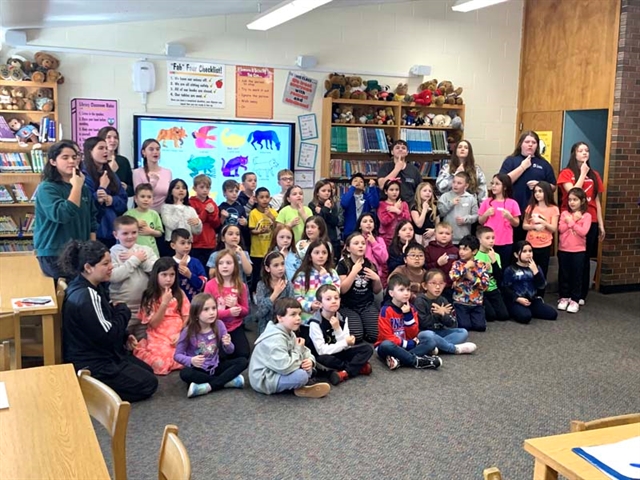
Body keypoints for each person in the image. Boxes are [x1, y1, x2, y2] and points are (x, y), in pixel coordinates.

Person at [60, 240, 158, 402]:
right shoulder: (86, 295)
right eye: (105, 263)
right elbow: (109, 334)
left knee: (147, 370)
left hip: (101, 351)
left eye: (110, 261)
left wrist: (125, 336)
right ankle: (90, 392)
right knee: (149, 384)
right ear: (88, 267)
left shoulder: (91, 285)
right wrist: (124, 311)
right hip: (92, 362)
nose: (111, 266)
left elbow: (105, 320)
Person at [34, 140, 97, 280]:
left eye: (75, 157)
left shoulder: (83, 188)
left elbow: (92, 220)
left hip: (79, 252)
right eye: (65, 157)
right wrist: (76, 188)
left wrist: (92, 249)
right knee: (68, 295)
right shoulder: (47, 188)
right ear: (53, 161)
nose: (72, 161)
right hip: (55, 252)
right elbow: (63, 214)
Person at [249, 298, 331, 398]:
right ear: (280, 318)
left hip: (279, 369)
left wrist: (310, 361)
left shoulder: (289, 332)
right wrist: (297, 350)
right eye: (293, 314)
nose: (298, 318)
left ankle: (300, 386)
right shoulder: (275, 339)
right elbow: (285, 367)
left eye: (299, 314)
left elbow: (305, 351)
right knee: (301, 376)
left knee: (307, 368)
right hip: (264, 380)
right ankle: (301, 385)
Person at [557, 142, 605, 305]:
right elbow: (573, 193)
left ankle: (581, 294)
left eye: (587, 150)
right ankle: (565, 293)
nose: (584, 153)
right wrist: (582, 174)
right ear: (574, 154)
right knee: (568, 257)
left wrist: (600, 223)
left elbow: (597, 200)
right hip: (570, 218)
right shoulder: (566, 173)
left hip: (589, 219)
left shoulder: (595, 174)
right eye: (580, 150)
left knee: (584, 257)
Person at [174, 293, 248, 398]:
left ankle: (208, 386)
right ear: (196, 313)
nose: (212, 313)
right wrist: (191, 360)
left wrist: (228, 344)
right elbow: (177, 355)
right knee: (185, 373)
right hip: (198, 369)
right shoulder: (188, 331)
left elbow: (230, 351)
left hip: (216, 366)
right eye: (206, 309)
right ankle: (226, 382)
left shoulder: (219, 325)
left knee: (243, 361)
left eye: (214, 308)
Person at [309, 285, 374, 385]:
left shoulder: (342, 318)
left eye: (336, 298)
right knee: (322, 359)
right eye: (328, 299)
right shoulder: (315, 322)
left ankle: (345, 372)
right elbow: (321, 350)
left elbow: (346, 346)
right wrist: (345, 342)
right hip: (327, 355)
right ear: (320, 304)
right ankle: (357, 367)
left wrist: (338, 329)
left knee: (367, 349)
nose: (334, 301)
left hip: (341, 352)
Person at [134, 257, 189, 375]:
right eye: (164, 275)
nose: (168, 279)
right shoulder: (149, 295)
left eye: (172, 275)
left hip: (179, 331)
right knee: (160, 361)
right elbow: (153, 324)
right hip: (158, 334)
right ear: (156, 275)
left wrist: (181, 333)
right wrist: (164, 303)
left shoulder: (179, 293)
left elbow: (186, 316)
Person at [374, 274, 441, 370]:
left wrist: (408, 316)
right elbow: (386, 336)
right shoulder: (385, 310)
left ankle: (400, 360)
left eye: (408, 290)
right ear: (391, 293)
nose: (406, 293)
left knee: (430, 342)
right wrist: (407, 344)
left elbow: (413, 334)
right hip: (393, 346)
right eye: (401, 290)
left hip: (407, 345)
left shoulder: (412, 309)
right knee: (386, 345)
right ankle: (417, 361)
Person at [499, 131, 556, 242]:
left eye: (534, 142)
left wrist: (540, 185)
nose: (530, 144)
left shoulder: (544, 164)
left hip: (536, 211)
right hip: (514, 209)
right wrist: (522, 167)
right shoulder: (511, 160)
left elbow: (553, 186)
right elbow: (503, 182)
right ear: (521, 144)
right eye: (527, 142)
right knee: (514, 242)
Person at [108, 215, 158, 337]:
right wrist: (135, 259)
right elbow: (114, 276)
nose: (130, 236)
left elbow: (156, 272)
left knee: (144, 343)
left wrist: (140, 259)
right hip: (123, 307)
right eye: (125, 233)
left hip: (145, 307)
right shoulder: (112, 253)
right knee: (122, 341)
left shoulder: (146, 250)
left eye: (134, 232)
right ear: (116, 235)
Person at [414, 269, 477, 354]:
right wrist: (437, 314)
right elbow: (423, 324)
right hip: (425, 333)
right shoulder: (420, 301)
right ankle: (453, 349)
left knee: (463, 332)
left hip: (440, 332)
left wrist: (444, 315)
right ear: (425, 285)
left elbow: (453, 324)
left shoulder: (443, 300)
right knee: (428, 335)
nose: (437, 287)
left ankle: (435, 348)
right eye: (433, 283)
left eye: (441, 284)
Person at [82, 136, 128, 249]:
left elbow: (123, 201)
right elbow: (88, 205)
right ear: (90, 151)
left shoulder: (110, 174)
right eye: (101, 148)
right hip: (93, 232)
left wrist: (111, 200)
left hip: (112, 231)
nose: (105, 151)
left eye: (106, 148)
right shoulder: (83, 175)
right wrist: (102, 187)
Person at [204, 249, 251, 359]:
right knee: (220, 356)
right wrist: (228, 312)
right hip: (215, 327)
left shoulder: (241, 286)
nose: (224, 266)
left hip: (235, 327)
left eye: (228, 263)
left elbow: (245, 311)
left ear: (235, 266)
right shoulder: (210, 285)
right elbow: (206, 312)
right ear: (217, 266)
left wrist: (236, 306)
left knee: (243, 354)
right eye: (221, 263)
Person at [336, 233, 382, 343]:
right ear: (348, 248)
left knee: (375, 335)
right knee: (356, 336)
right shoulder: (343, 264)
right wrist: (354, 272)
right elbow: (342, 290)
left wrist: (377, 279)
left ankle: (364, 324)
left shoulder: (370, 264)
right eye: (356, 243)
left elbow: (377, 290)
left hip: (366, 304)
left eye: (363, 243)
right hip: (348, 306)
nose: (361, 246)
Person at [502, 240, 558, 324]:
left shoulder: (536, 267)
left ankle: (530, 310)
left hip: (532, 300)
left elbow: (541, 285)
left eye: (530, 251)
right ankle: (515, 309)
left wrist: (536, 272)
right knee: (525, 317)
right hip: (517, 300)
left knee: (553, 314)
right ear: (516, 255)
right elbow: (505, 288)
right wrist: (517, 298)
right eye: (524, 251)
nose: (528, 254)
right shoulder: (510, 269)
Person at [557, 188, 591, 313]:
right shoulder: (565, 214)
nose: (572, 202)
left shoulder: (587, 216)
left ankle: (575, 299)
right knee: (564, 274)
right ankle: (564, 297)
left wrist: (572, 222)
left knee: (576, 275)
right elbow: (561, 229)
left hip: (578, 251)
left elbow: (583, 232)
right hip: (564, 249)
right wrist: (574, 220)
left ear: (582, 201)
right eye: (570, 199)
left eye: (575, 200)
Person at [292, 239, 341, 325]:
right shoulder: (302, 275)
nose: (321, 256)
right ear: (310, 256)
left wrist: (326, 277)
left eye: (324, 253)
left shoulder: (332, 273)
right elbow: (296, 296)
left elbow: (336, 292)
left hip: (328, 319)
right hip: (307, 320)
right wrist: (309, 305)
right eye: (316, 253)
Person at [523, 181, 559, 296]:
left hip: (544, 245)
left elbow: (553, 228)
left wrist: (543, 222)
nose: (537, 194)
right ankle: (528, 294)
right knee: (528, 270)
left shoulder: (553, 209)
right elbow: (524, 225)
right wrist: (533, 226)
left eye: (540, 191)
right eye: (535, 191)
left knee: (541, 271)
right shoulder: (531, 207)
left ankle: (540, 296)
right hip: (530, 245)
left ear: (547, 192)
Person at [449, 235, 490, 332]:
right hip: (460, 302)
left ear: (474, 251)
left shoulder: (481, 265)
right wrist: (465, 267)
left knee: (480, 327)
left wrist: (472, 278)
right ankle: (455, 316)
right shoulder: (457, 264)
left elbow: (485, 285)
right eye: (460, 249)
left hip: (476, 303)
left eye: (465, 249)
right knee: (464, 326)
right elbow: (453, 276)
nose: (461, 252)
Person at [478, 173, 520, 263]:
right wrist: (486, 214)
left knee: (503, 266)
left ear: (505, 187)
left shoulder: (512, 203)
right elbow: (480, 221)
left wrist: (510, 217)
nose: (493, 186)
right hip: (488, 241)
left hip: (506, 241)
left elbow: (516, 223)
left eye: (497, 184)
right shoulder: (487, 202)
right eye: (492, 183)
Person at [254, 251, 295, 334]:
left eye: (282, 264)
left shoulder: (288, 285)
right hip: (265, 328)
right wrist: (275, 294)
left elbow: (291, 307)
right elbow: (260, 313)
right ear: (267, 268)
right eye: (276, 265)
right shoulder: (262, 285)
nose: (280, 268)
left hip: (284, 326)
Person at [475, 226, 509, 321]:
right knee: (491, 316)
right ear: (480, 240)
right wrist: (484, 269)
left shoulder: (496, 255)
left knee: (504, 316)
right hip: (481, 291)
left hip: (493, 289)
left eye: (493, 238)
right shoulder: (475, 255)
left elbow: (499, 277)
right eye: (487, 238)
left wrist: (494, 262)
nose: (491, 241)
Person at [160, 178, 202, 256]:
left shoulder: (190, 209)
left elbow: (197, 231)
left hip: (187, 244)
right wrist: (178, 208)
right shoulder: (166, 207)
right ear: (171, 191)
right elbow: (171, 225)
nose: (181, 190)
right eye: (177, 188)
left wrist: (198, 224)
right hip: (171, 244)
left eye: (184, 188)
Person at [248, 187, 278, 294]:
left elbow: (278, 227)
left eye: (267, 197)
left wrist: (271, 217)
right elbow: (251, 230)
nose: (264, 200)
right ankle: (255, 293)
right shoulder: (253, 213)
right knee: (256, 275)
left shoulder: (273, 212)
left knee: (269, 274)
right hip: (257, 251)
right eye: (261, 197)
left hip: (270, 250)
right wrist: (260, 231)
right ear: (256, 199)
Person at [189, 174, 221, 270]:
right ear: (195, 188)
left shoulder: (212, 203)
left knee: (209, 270)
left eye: (207, 187)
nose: (205, 190)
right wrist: (206, 212)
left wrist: (211, 214)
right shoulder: (190, 203)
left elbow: (216, 224)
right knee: (197, 269)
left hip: (210, 243)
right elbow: (195, 222)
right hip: (196, 243)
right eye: (202, 187)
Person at [437, 171, 479, 245]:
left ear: (466, 186)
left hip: (464, 238)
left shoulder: (471, 198)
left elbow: (476, 216)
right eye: (454, 182)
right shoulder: (445, 196)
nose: (455, 185)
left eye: (459, 183)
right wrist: (450, 204)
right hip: (447, 239)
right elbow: (440, 213)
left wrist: (465, 219)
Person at [377, 139, 423, 204]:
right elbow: (381, 185)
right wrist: (397, 169)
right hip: (389, 207)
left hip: (409, 206)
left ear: (407, 152)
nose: (400, 149)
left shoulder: (414, 169)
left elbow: (420, 189)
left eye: (403, 148)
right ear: (392, 152)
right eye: (397, 148)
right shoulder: (385, 167)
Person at [132, 139, 172, 211]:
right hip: (144, 213)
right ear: (143, 152)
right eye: (151, 149)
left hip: (164, 214)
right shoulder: (137, 172)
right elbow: (139, 195)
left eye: (157, 149)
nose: (155, 152)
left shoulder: (167, 172)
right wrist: (152, 183)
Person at [125, 183, 163, 257]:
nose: (146, 199)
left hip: (151, 251)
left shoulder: (154, 214)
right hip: (133, 252)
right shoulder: (129, 214)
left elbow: (160, 233)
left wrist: (151, 231)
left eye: (149, 197)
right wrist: (135, 224)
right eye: (142, 196)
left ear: (152, 200)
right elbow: (123, 231)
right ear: (135, 199)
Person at [425, 222, 459, 303]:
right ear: (435, 235)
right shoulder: (428, 249)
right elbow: (425, 267)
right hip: (433, 286)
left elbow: (459, 267)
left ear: (451, 236)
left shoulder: (455, 250)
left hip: (450, 286)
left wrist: (457, 280)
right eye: (441, 233)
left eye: (447, 233)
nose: (444, 235)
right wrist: (437, 264)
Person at [170, 228, 207, 302]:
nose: (187, 246)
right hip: (175, 303)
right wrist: (177, 269)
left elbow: (202, 285)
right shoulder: (169, 263)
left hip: (195, 304)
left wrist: (190, 275)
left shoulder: (196, 262)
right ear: (173, 245)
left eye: (189, 243)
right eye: (183, 243)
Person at [340, 173, 379, 239]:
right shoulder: (347, 196)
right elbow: (344, 203)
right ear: (350, 185)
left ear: (364, 186)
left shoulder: (367, 197)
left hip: (365, 232)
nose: (358, 183)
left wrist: (372, 188)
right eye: (355, 181)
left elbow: (375, 204)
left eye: (361, 182)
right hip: (349, 232)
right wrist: (352, 188)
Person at [98, 126, 134, 197]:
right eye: (108, 137)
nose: (113, 140)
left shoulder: (123, 161)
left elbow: (132, 190)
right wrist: (111, 172)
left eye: (115, 137)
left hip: (120, 204)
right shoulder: (97, 161)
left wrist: (126, 188)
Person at [309, 179, 341, 258]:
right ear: (317, 192)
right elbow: (319, 222)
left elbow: (335, 221)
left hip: (332, 238)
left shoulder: (332, 204)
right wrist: (326, 209)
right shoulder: (312, 205)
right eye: (323, 191)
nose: (327, 193)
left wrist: (323, 212)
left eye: (329, 191)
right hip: (319, 238)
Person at [356, 212, 388, 287]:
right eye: (365, 221)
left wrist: (374, 242)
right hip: (358, 275)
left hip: (375, 275)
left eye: (371, 221)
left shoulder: (379, 240)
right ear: (359, 226)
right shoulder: (354, 239)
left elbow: (384, 258)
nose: (368, 223)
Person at [378, 178, 411, 247]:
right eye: (391, 190)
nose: (394, 192)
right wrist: (393, 211)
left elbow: (408, 220)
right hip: (386, 239)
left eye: (397, 190)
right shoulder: (382, 204)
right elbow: (384, 221)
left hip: (401, 239)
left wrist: (398, 211)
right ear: (385, 191)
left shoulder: (403, 204)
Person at [219, 179, 250, 249]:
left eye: (236, 191)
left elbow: (245, 227)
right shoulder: (221, 207)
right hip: (224, 241)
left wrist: (245, 223)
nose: (234, 193)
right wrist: (222, 218)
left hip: (238, 239)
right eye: (231, 191)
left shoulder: (241, 208)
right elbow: (218, 226)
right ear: (224, 193)